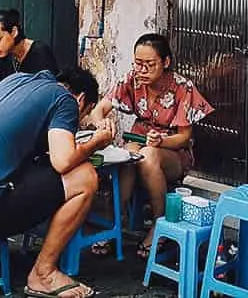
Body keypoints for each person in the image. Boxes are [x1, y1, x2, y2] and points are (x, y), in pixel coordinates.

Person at [0, 67, 112, 298]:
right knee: (85, 176)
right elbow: (63, 160)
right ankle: (43, 273)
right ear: (81, 100)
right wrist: (96, 143)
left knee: (23, 165)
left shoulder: (16, 80)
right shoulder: (66, 100)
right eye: (83, 116)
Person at [89, 33, 213, 258]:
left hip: (173, 152)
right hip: (139, 141)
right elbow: (99, 109)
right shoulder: (131, 80)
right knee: (127, 157)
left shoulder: (182, 87)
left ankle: (160, 225)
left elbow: (184, 137)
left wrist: (162, 141)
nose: (142, 70)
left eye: (149, 64)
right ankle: (116, 222)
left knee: (148, 156)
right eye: (138, 64)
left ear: (166, 63)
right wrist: (101, 123)